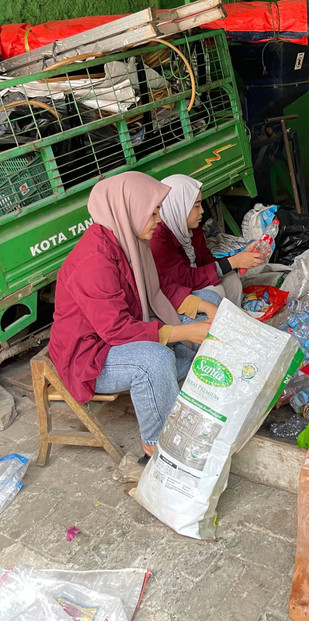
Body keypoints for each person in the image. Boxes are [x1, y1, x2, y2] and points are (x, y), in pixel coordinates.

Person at [49, 172, 218, 460]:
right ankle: (157, 447)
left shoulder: (129, 240)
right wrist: (181, 333)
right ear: (129, 210)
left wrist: (201, 307)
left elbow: (159, 287)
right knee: (155, 360)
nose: (158, 220)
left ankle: (187, 399)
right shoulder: (95, 261)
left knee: (209, 298)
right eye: (152, 213)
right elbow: (115, 330)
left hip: (124, 330)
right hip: (90, 354)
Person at [150, 174, 267, 308]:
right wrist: (234, 261)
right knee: (215, 293)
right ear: (178, 206)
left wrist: (240, 259)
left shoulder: (191, 229)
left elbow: (207, 262)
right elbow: (183, 280)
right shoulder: (157, 238)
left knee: (232, 280)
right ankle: (216, 326)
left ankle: (235, 320)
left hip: (194, 280)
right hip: (173, 297)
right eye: (196, 206)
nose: (202, 211)